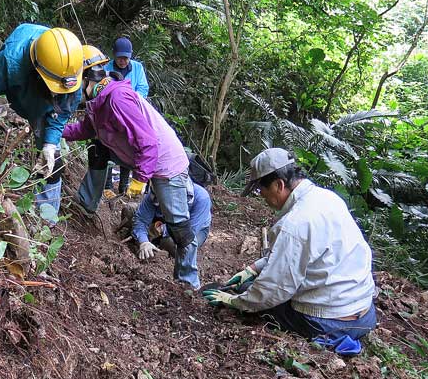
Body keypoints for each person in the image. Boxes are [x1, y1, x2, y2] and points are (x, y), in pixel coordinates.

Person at [203, 148, 377, 343]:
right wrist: (252, 269)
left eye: (262, 190)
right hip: (365, 315)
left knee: (250, 292)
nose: (261, 196)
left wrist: (233, 301)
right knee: (250, 283)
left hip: (329, 323)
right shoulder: (327, 198)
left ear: (279, 185)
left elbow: (273, 290)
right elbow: (303, 253)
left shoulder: (294, 224)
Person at [63, 72, 199, 288]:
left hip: (165, 165)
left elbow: (148, 143)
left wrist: (139, 180)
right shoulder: (98, 102)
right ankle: (86, 204)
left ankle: (188, 283)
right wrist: (56, 131)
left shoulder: (118, 98)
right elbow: (85, 130)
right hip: (140, 159)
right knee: (98, 148)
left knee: (179, 228)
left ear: (88, 80)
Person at [0, 24, 84, 213]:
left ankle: (46, 219)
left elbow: (61, 113)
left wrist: (50, 145)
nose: (57, 92)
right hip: (13, 81)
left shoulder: (71, 75)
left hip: (40, 107)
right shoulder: (11, 59)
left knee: (53, 163)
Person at [133, 182, 212, 289]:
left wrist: (162, 229)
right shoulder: (155, 192)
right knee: (131, 210)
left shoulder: (202, 198)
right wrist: (143, 242)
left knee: (176, 243)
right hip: (162, 218)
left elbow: (189, 232)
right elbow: (141, 220)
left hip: (193, 228)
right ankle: (152, 240)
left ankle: (188, 284)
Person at [102, 37, 150, 197]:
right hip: (111, 114)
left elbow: (143, 87)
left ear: (130, 56)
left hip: (131, 115)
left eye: (126, 57)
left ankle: (123, 185)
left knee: (128, 147)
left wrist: (133, 100)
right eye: (120, 57)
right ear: (114, 55)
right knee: (109, 147)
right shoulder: (106, 68)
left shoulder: (137, 68)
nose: (122, 61)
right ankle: (108, 185)